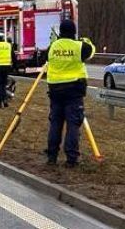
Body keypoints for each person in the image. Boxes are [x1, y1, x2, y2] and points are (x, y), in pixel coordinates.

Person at [44, 19, 94, 167]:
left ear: (60, 31)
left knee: (55, 124)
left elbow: (46, 58)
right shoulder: (80, 46)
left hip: (55, 91)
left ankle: (52, 156)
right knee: (73, 125)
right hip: (73, 91)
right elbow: (90, 52)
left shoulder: (52, 46)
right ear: (73, 31)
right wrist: (86, 41)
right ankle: (71, 158)